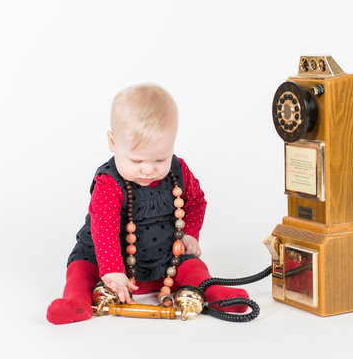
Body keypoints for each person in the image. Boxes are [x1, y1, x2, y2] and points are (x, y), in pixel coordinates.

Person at [47, 84, 248, 324]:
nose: (149, 169)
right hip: (106, 258)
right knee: (81, 269)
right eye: (136, 159)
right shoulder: (109, 183)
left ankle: (209, 291)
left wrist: (190, 235)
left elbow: (196, 201)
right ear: (112, 142)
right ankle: (76, 300)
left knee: (193, 267)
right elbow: (104, 227)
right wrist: (112, 270)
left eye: (160, 158)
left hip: (165, 259)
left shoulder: (178, 172)